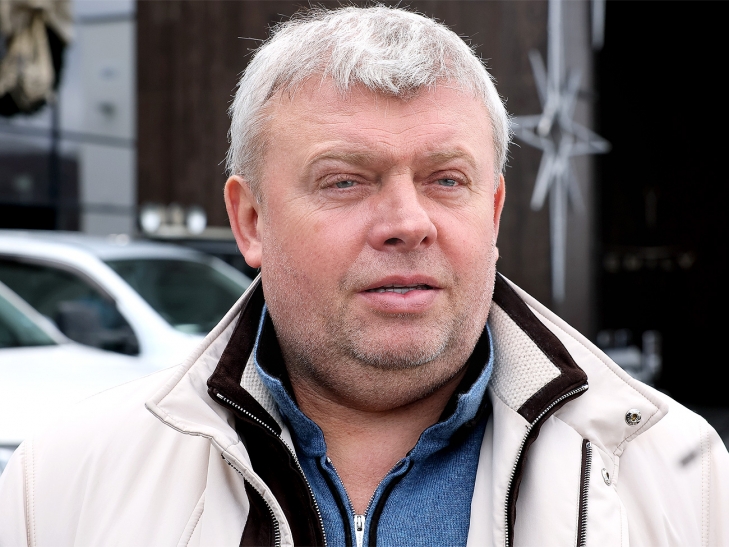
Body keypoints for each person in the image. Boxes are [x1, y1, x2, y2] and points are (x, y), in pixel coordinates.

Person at [1, 6, 727, 546]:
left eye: (446, 179)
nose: (408, 222)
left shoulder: (678, 477)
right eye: (345, 181)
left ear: (493, 212)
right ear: (250, 221)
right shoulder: (63, 483)